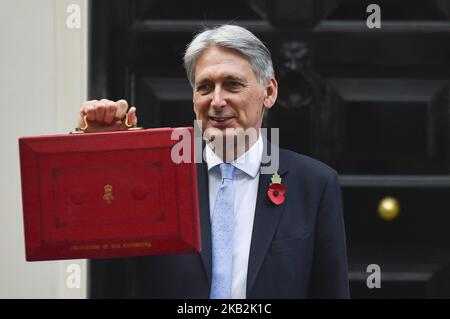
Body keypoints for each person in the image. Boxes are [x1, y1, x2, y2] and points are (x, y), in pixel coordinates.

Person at [79, 24, 349, 299]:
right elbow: (98, 254)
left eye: (232, 84)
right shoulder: (157, 181)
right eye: (205, 87)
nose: (217, 101)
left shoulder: (314, 184)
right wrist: (102, 156)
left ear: (268, 92)